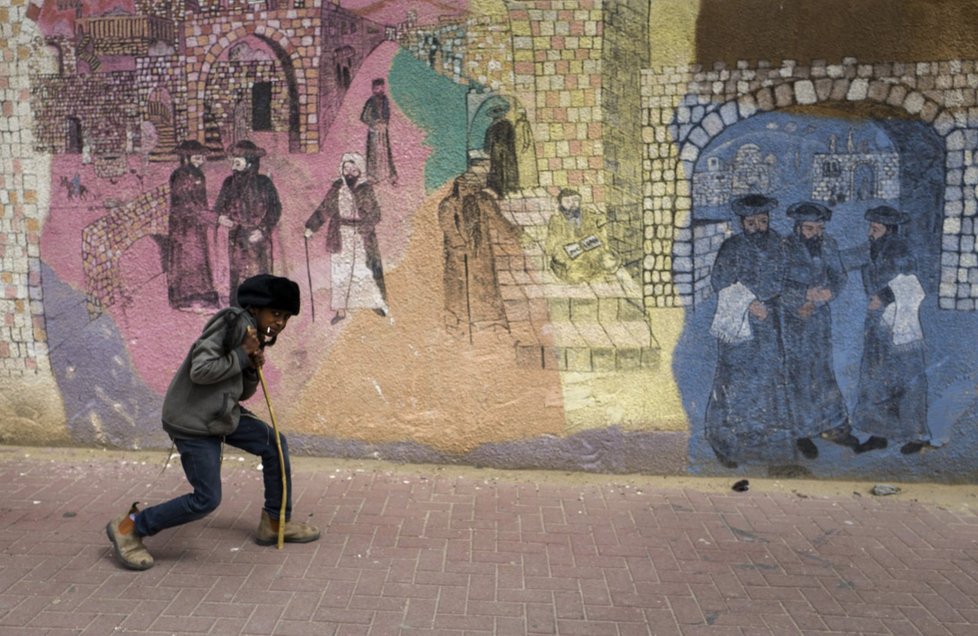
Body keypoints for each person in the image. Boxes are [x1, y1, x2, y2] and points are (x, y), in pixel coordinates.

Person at [105, 274, 320, 570]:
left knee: (275, 445)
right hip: (193, 421)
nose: (281, 322)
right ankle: (129, 528)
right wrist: (241, 355)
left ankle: (274, 523)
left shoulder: (254, 333)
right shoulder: (231, 322)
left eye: (286, 317)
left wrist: (250, 368)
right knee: (206, 499)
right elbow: (201, 370)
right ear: (256, 308)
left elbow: (242, 391)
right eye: (276, 313)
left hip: (221, 415)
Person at [704, 194, 791, 468]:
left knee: (767, 380)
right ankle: (725, 443)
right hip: (739, 326)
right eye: (751, 223)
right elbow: (720, 279)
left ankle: (760, 440)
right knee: (733, 381)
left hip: (769, 324)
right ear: (743, 223)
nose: (758, 227)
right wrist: (748, 301)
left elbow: (784, 278)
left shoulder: (779, 245)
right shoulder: (732, 247)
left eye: (762, 221)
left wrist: (770, 302)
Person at [780, 202, 857, 457]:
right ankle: (803, 433)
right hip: (793, 321)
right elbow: (774, 284)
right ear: (798, 227)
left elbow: (839, 277)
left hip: (820, 320)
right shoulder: (784, 248)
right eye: (810, 228)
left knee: (823, 371)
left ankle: (834, 426)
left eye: (819, 228)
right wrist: (802, 297)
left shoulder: (829, 245)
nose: (816, 233)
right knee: (799, 375)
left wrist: (829, 292)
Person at [852, 205, 931, 455]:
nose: (870, 232)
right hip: (877, 324)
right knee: (875, 379)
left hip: (899, 324)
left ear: (889, 230)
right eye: (870, 227)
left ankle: (916, 436)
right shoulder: (873, 249)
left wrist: (885, 296)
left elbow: (912, 281)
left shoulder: (901, 249)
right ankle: (879, 433)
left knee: (908, 380)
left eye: (875, 228)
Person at [304, 152, 389, 325]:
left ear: (359, 170)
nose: (349, 172)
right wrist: (311, 227)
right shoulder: (336, 188)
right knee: (340, 272)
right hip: (340, 235)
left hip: (361, 235)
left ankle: (374, 302)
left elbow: (376, 214)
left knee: (364, 269)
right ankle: (341, 310)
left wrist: (364, 226)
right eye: (346, 168)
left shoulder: (366, 189)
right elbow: (324, 209)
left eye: (353, 168)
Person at [438, 173, 520, 336]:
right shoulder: (449, 204)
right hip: (458, 256)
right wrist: (459, 244)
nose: (468, 191)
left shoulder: (484, 200)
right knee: (458, 288)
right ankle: (457, 321)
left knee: (485, 286)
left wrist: (513, 233)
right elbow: (447, 226)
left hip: (481, 252)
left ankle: (488, 319)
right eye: (464, 188)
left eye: (472, 188)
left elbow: (499, 220)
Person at [214, 140, 282, 305]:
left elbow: (275, 208)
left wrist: (263, 229)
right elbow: (218, 207)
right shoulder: (229, 183)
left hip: (258, 238)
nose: (234, 162)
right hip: (237, 237)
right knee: (237, 278)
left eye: (239, 158)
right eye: (234, 158)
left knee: (259, 276)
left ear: (250, 162)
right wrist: (220, 218)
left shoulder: (264, 183)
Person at [166, 140, 219, 312]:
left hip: (194, 224)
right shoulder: (185, 176)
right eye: (197, 158)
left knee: (196, 257)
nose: (201, 161)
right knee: (189, 258)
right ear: (187, 158)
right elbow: (189, 205)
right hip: (185, 225)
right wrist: (211, 217)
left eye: (201, 157)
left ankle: (195, 294)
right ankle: (188, 297)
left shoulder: (194, 174)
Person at [545, 189, 620, 284]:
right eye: (567, 201)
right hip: (569, 256)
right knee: (575, 274)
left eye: (575, 200)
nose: (572, 204)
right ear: (560, 204)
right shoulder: (556, 219)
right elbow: (550, 248)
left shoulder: (587, 213)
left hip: (590, 250)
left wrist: (600, 220)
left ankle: (597, 274)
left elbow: (601, 221)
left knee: (608, 261)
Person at [360, 79, 397, 186]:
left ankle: (390, 176)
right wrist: (374, 123)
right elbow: (363, 117)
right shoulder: (370, 101)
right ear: (373, 89)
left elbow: (387, 114)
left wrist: (385, 123)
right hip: (374, 132)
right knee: (373, 154)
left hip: (383, 132)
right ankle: (373, 177)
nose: (380, 90)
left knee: (386, 153)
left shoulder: (385, 100)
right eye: (377, 88)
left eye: (381, 88)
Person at [484, 101, 519, 197]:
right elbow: (512, 137)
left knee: (499, 169)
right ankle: (505, 189)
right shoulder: (507, 124)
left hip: (499, 150)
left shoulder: (495, 125)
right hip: (505, 150)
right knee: (502, 168)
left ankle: (502, 190)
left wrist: (489, 149)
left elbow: (489, 140)